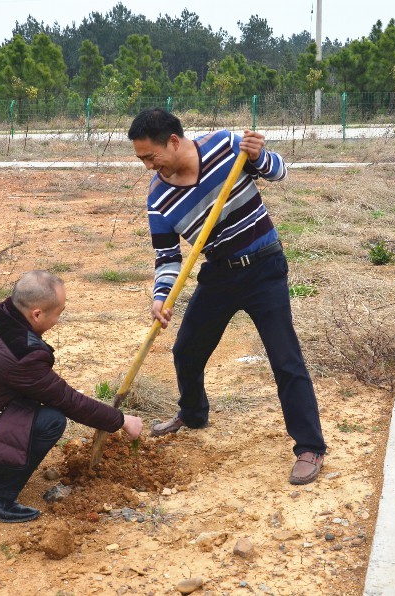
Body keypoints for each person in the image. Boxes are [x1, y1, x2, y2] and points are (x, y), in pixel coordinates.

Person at [127, 108, 327, 485]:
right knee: (186, 350)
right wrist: (161, 296)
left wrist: (257, 156)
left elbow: (279, 171)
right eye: (141, 160)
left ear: (173, 140)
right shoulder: (158, 197)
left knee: (285, 359)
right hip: (219, 273)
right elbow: (167, 257)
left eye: (150, 156)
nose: (148, 166)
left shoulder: (225, 146)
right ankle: (193, 412)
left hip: (265, 267)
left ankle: (309, 447)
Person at [0, 270, 143, 523]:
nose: (58, 319)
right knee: (50, 420)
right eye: (58, 312)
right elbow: (67, 400)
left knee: (34, 406)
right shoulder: (20, 356)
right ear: (36, 314)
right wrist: (121, 420)